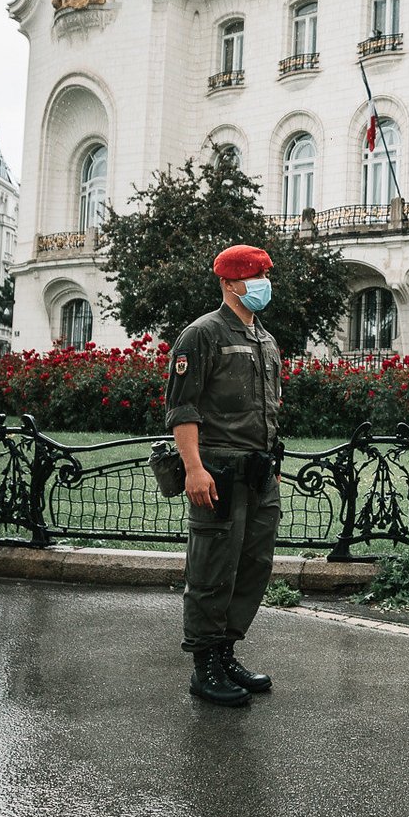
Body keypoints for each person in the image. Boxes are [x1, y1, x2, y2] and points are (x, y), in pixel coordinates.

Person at [164, 244, 286, 707]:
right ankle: (204, 666)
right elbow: (183, 408)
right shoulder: (202, 334)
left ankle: (225, 650)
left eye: (264, 276)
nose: (263, 285)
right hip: (217, 471)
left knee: (253, 566)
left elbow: (268, 404)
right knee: (212, 569)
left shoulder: (265, 338)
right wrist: (193, 468)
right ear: (230, 283)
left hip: (259, 472)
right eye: (255, 277)